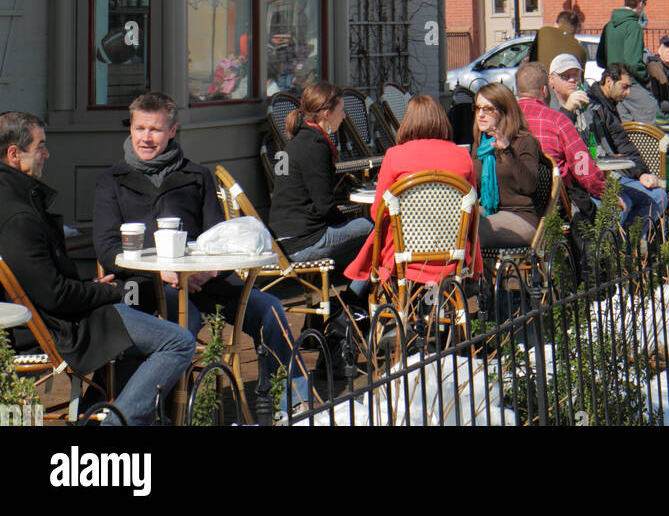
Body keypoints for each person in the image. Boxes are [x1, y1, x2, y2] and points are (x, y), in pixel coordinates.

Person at [93, 91, 305, 413]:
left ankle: (290, 402)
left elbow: (218, 238)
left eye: (155, 130)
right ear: (131, 129)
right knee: (183, 321)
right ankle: (165, 414)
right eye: (140, 129)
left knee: (271, 310)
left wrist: (207, 271)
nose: (146, 138)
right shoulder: (112, 181)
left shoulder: (196, 176)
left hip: (203, 280)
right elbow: (108, 249)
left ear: (172, 131)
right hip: (144, 284)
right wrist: (162, 273)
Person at [0, 110, 195, 426]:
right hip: (54, 328)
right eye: (40, 147)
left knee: (141, 340)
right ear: (14, 154)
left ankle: (96, 415)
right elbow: (54, 295)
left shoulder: (14, 201)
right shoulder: (18, 217)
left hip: (43, 320)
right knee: (179, 341)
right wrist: (105, 291)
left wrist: (93, 287)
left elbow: (43, 283)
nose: (47, 154)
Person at [344, 95, 481, 286]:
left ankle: (355, 302)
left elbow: (377, 212)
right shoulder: (462, 156)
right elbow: (472, 211)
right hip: (451, 254)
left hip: (404, 254)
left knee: (379, 237)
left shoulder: (394, 155)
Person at [268, 81, 373, 273]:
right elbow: (325, 206)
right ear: (326, 114)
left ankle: (353, 291)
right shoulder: (316, 146)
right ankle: (355, 296)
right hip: (302, 242)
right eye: (341, 110)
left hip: (281, 238)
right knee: (374, 229)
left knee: (360, 236)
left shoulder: (297, 139)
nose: (344, 116)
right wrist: (346, 225)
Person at [585, 64, 667, 234]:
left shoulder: (609, 104)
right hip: (597, 177)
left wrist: (642, 173)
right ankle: (616, 250)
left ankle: (628, 245)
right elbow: (621, 143)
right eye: (624, 87)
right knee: (623, 203)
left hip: (617, 174)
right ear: (608, 82)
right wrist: (640, 173)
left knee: (658, 196)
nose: (628, 93)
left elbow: (623, 142)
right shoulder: (593, 106)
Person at [515, 60, 606, 212]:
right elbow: (582, 167)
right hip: (555, 205)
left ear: (517, 89)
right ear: (544, 90)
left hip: (514, 202)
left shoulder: (504, 119)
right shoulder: (558, 120)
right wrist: (604, 192)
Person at [471, 83, 542, 247]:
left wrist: (508, 151)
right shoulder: (480, 145)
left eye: (488, 109)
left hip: (520, 216)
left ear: (504, 113)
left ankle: (479, 274)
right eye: (477, 108)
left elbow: (529, 185)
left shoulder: (524, 142)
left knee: (474, 231)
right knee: (451, 226)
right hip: (489, 211)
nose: (481, 114)